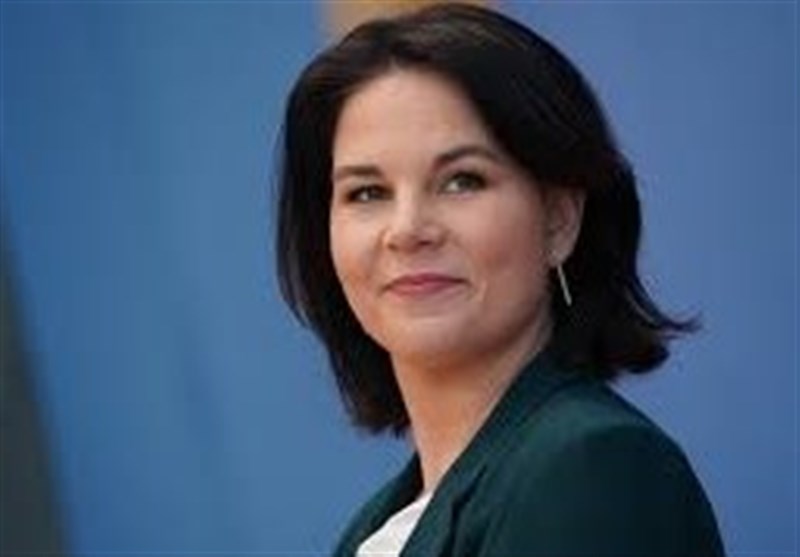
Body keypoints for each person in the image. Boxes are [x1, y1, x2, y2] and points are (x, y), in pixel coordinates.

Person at [275, 3, 725, 556]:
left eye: (462, 181)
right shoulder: (375, 529)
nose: (407, 230)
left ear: (559, 220)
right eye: (367, 192)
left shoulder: (592, 468)